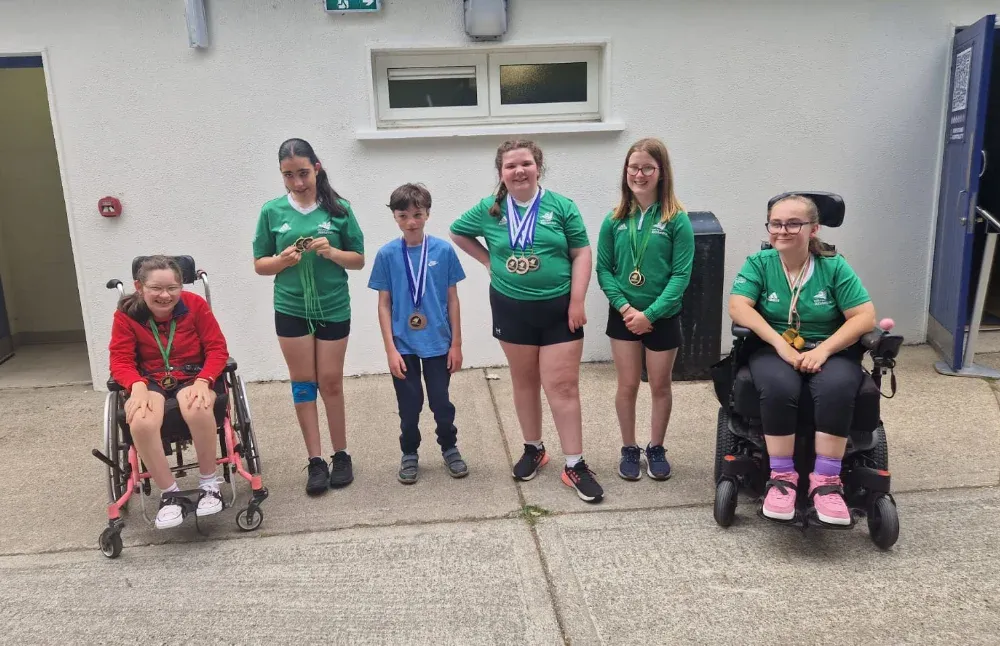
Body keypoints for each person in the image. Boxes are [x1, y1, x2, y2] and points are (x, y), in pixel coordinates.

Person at [449, 139, 604, 504]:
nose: (518, 171)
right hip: (511, 307)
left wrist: (577, 300)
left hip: (558, 309)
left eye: (525, 164)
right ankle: (534, 448)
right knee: (524, 380)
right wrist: (488, 261)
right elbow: (457, 231)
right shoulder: (491, 209)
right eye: (510, 166)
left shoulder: (561, 206)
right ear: (501, 173)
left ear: (538, 166)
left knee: (563, 386)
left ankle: (575, 463)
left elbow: (581, 252)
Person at [728, 194, 876, 526]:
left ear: (813, 228)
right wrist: (780, 345)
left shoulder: (833, 266)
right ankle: (782, 479)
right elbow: (738, 307)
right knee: (779, 386)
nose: (782, 230)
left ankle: (826, 484)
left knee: (837, 387)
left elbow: (864, 317)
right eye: (776, 223)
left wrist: (823, 350)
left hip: (829, 347)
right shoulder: (759, 263)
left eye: (793, 223)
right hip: (774, 348)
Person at [252, 138, 365, 496]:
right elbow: (260, 264)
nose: (298, 183)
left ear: (317, 167)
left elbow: (359, 259)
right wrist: (282, 261)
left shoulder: (339, 208)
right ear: (281, 176)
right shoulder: (272, 211)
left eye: (303, 173)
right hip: (291, 309)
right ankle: (315, 460)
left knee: (331, 382)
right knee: (303, 383)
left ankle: (341, 454)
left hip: (333, 307)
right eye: (289, 176)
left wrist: (332, 252)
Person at [596, 137, 694, 481]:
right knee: (627, 385)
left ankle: (656, 447)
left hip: (662, 316)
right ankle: (629, 447)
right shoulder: (614, 219)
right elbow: (604, 270)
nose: (639, 174)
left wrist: (649, 314)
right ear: (626, 171)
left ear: (661, 172)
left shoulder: (676, 220)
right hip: (623, 315)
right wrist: (625, 309)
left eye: (647, 168)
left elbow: (681, 274)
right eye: (633, 167)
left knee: (660, 385)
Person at [109, 255, 229, 529]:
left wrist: (204, 380)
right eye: (156, 289)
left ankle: (210, 485)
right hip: (149, 380)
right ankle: (170, 494)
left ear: (181, 287)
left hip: (193, 375)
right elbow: (120, 359)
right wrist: (136, 385)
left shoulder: (196, 306)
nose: (165, 296)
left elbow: (217, 349)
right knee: (140, 418)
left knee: (197, 405)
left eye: (172, 288)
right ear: (139, 287)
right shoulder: (127, 315)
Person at [368, 183, 468, 484]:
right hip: (403, 345)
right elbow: (384, 305)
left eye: (417, 214)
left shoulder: (443, 250)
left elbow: (452, 299)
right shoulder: (386, 255)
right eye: (403, 215)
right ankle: (409, 452)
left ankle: (449, 446)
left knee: (441, 402)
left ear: (427, 214)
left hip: (438, 342)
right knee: (409, 405)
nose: (411, 221)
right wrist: (390, 349)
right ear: (395, 217)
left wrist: (456, 344)